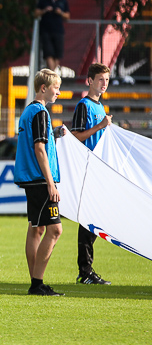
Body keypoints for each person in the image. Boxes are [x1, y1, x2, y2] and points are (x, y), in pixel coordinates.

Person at [14, 68, 64, 296]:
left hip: (29, 178)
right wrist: (51, 183)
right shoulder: (41, 112)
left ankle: (36, 282)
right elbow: (39, 149)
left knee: (36, 228)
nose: (59, 93)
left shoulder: (28, 112)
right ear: (44, 88)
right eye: (56, 88)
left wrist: (54, 134)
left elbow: (36, 140)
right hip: (39, 179)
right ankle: (37, 282)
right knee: (55, 230)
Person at [71, 63, 112, 285]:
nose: (104, 84)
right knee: (89, 221)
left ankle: (86, 270)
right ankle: (85, 271)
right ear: (89, 81)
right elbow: (75, 136)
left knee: (94, 219)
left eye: (106, 80)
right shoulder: (84, 106)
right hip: (87, 168)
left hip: (99, 169)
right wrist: (100, 127)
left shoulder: (100, 107)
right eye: (100, 80)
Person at [35, 0, 70, 72]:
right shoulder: (43, 1)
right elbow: (36, 13)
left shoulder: (63, 1)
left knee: (58, 54)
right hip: (46, 31)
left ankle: (52, 73)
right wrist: (45, 10)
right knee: (48, 53)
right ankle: (52, 73)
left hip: (58, 31)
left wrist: (60, 13)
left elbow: (68, 16)